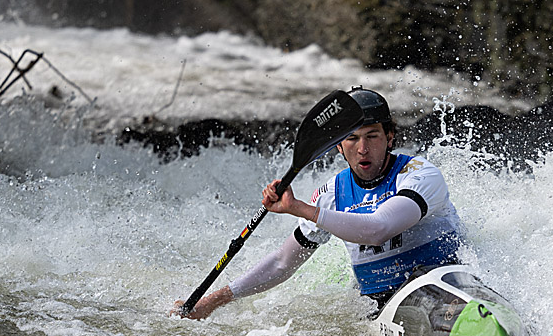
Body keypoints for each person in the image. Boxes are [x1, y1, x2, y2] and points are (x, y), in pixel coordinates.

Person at [173, 87, 465, 319]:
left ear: (390, 138)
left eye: (372, 136)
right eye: (352, 139)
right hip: (379, 309)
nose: (362, 149)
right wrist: (212, 302)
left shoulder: (419, 175)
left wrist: (301, 209)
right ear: (339, 146)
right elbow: (282, 263)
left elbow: (379, 229)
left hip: (445, 287)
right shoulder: (332, 194)